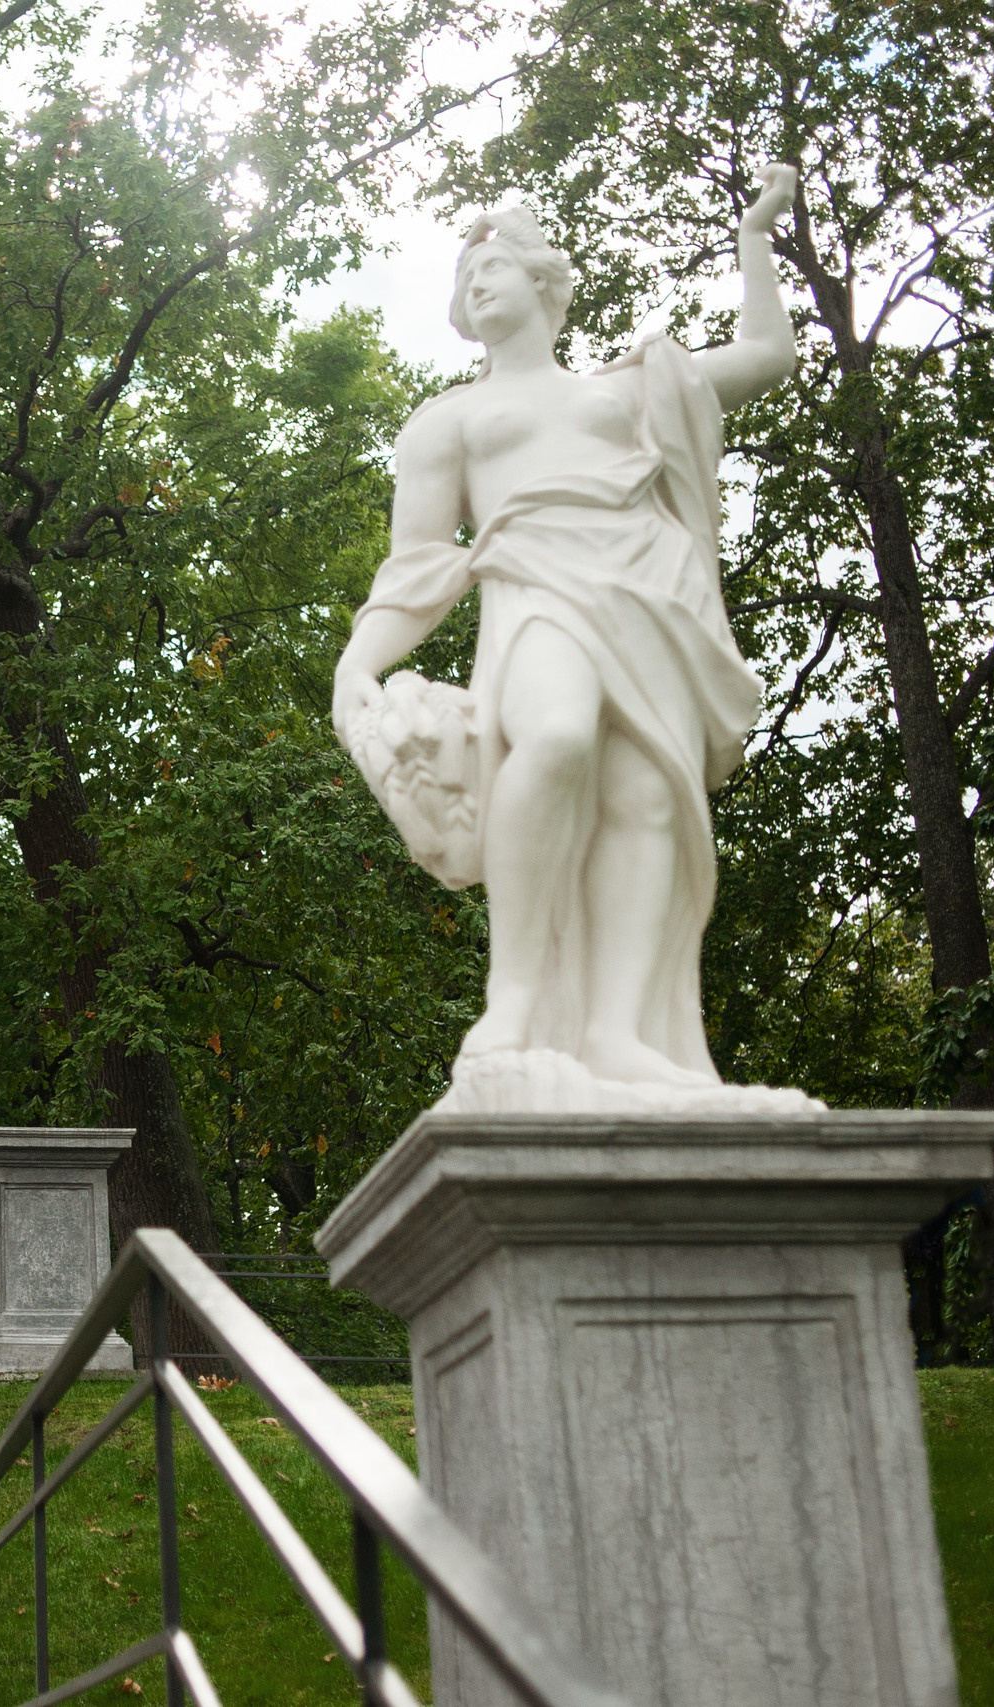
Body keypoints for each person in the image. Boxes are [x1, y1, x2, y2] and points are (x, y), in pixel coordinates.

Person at [333, 165, 803, 1102]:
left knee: (645, 797)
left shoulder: (630, 387)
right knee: (552, 737)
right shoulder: (449, 420)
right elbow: (419, 566)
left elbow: (766, 355)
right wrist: (360, 661)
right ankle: (511, 1003)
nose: (478, 283)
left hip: (645, 594)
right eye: (466, 277)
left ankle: (615, 1033)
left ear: (545, 281)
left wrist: (754, 239)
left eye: (494, 267)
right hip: (535, 587)